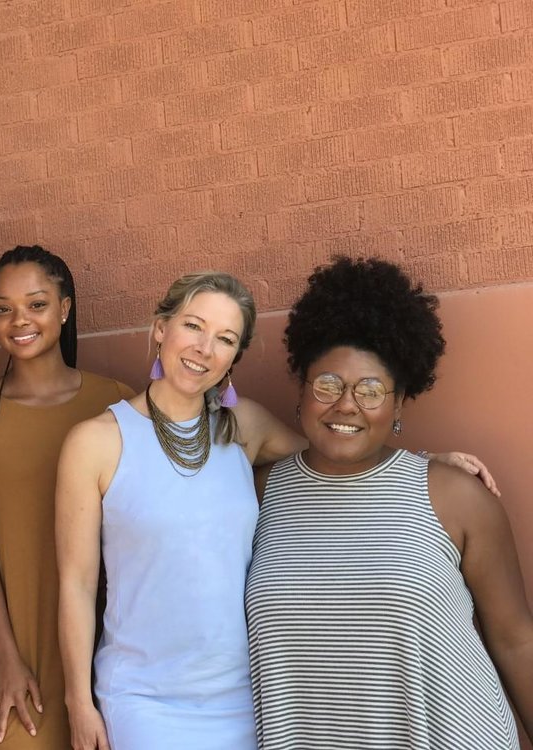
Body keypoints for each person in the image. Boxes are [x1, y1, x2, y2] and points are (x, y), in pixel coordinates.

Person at [55, 271, 498, 750]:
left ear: (234, 358)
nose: (204, 348)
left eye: (225, 339)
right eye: (193, 326)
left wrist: (424, 462)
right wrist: (78, 702)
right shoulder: (95, 442)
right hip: (144, 698)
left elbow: (340, 452)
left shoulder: (242, 426)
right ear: (162, 327)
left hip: (244, 697)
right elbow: (77, 584)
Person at [245, 257, 533, 749]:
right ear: (302, 391)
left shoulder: (453, 495)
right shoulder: (258, 494)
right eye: (328, 384)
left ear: (399, 403)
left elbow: (515, 640)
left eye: (371, 390)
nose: (347, 403)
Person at [0, 245, 134, 748]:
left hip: (114, 643)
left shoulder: (117, 402)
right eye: (3, 309)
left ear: (65, 308)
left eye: (37, 304)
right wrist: (5, 657)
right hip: (18, 645)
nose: (19, 320)